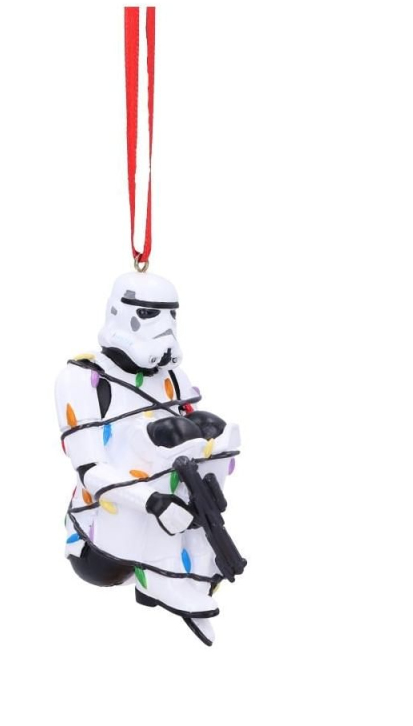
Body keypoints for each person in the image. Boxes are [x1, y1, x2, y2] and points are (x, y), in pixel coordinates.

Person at [55, 271, 243, 646]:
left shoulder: (172, 376)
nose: (164, 326)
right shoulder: (83, 379)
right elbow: (90, 470)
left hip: (181, 524)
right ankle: (161, 574)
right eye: (148, 314)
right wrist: (154, 502)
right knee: (167, 434)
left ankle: (196, 560)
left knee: (207, 428)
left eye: (170, 314)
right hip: (103, 544)